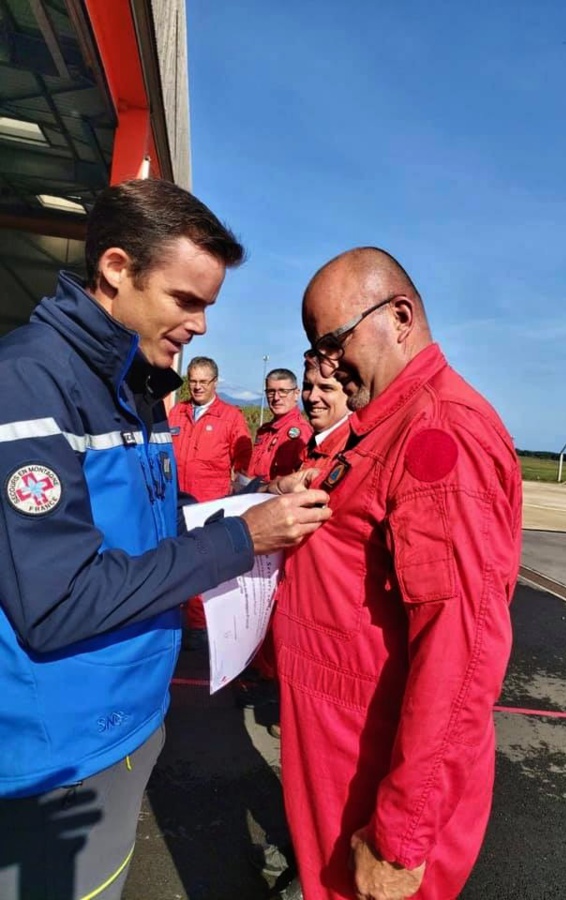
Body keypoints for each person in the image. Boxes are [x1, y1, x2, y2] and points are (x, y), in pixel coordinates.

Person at [0, 178, 330, 900]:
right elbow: (57, 602)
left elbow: (148, 519)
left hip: (125, 718)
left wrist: (248, 502)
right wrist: (241, 541)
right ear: (116, 268)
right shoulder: (30, 382)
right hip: (61, 750)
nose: (201, 326)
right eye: (188, 300)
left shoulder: (135, 380)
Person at [271, 247, 522, 900]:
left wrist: (401, 836)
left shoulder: (437, 432)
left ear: (400, 316)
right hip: (336, 751)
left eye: (331, 343)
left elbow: (461, 644)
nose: (325, 367)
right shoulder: (384, 424)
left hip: (369, 764)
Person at [169, 355, 252, 643]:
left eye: (204, 382)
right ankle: (173, 620)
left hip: (208, 506)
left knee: (202, 563)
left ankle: (200, 627)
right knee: (174, 559)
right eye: (192, 381)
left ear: (215, 383)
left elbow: (243, 465)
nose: (197, 387)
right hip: (177, 503)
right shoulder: (177, 414)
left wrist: (234, 498)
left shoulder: (231, 417)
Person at [247, 368, 313, 481]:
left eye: (283, 391)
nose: (276, 398)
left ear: (296, 394)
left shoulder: (302, 433)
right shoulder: (264, 431)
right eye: (271, 392)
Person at [300, 354, 351, 473]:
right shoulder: (315, 442)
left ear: (350, 392)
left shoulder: (351, 450)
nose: (312, 397)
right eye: (307, 387)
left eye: (326, 388)